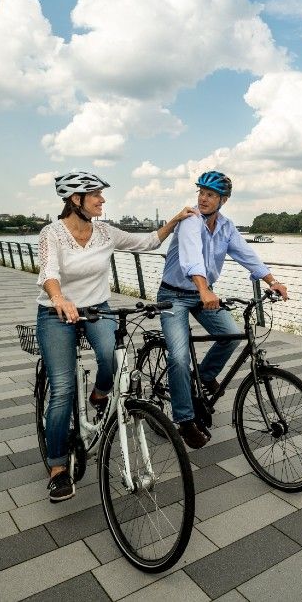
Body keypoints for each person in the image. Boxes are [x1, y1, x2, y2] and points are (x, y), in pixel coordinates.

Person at [37, 170, 196, 502]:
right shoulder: (52, 233)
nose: (102, 200)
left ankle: (99, 393)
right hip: (56, 312)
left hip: (96, 308)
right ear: (74, 200)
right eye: (95, 194)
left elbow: (148, 241)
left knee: (113, 357)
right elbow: (49, 273)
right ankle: (57, 469)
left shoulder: (106, 232)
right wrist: (59, 298)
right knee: (63, 390)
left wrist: (176, 219)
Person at [157, 171, 288, 449]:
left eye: (210, 195)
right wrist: (204, 289)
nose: (203, 199)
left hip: (204, 295)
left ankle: (201, 377)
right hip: (174, 295)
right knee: (179, 358)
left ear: (223, 200)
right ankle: (185, 420)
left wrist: (272, 281)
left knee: (230, 335)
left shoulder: (226, 227)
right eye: (201, 192)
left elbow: (247, 254)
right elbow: (191, 256)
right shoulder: (190, 221)